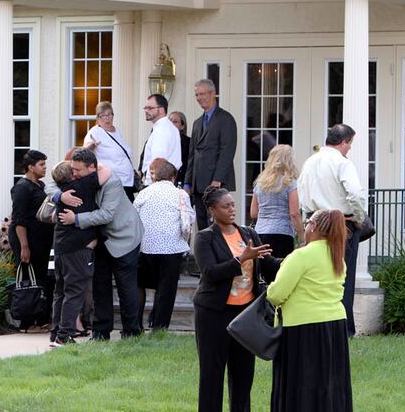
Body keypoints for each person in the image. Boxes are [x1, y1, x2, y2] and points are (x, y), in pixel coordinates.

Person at [192, 186, 278, 412]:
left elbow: (270, 266)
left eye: (232, 205)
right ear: (212, 210)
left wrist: (297, 259)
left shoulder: (249, 234)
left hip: (245, 315)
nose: (232, 210)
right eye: (225, 206)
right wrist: (241, 259)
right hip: (214, 314)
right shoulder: (205, 237)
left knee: (243, 373)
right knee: (212, 374)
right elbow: (210, 273)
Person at [51, 148, 144, 340]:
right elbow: (50, 185)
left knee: (126, 287)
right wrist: (60, 196)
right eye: (72, 169)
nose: (73, 174)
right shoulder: (79, 178)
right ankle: (101, 332)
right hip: (98, 240)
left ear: (92, 168)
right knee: (100, 286)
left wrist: (76, 219)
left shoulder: (112, 182)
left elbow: (106, 215)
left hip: (124, 238)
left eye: (77, 170)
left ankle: (132, 332)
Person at [268, 209, 353, 411]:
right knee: (330, 381)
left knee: (301, 383)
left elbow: (276, 294)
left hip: (302, 327)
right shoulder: (337, 256)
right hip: (335, 325)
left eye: (307, 223)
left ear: (313, 227)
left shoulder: (301, 255)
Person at [297, 123, 366, 336]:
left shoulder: (310, 161)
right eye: (350, 144)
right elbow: (355, 193)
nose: (349, 148)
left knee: (317, 276)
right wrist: (359, 217)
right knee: (342, 275)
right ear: (344, 142)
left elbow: (302, 194)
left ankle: (319, 326)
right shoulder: (342, 163)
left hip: (315, 223)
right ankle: (343, 328)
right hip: (339, 223)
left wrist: (308, 220)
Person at [133, 158, 195, 330]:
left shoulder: (144, 193)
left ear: (154, 175)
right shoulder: (180, 194)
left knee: (140, 284)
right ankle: (159, 327)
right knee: (166, 289)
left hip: (147, 246)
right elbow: (190, 218)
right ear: (172, 177)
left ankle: (135, 324)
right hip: (172, 247)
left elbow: (134, 215)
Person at [50, 154, 102, 347]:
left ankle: (55, 333)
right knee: (74, 292)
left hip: (61, 247)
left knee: (60, 292)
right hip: (77, 249)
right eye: (74, 170)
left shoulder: (63, 191)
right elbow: (105, 171)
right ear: (72, 175)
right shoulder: (79, 187)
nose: (76, 172)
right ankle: (63, 336)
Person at [8, 150, 55, 331]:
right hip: (27, 239)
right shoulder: (22, 187)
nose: (45, 168)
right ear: (30, 167)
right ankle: (26, 323)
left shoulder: (40, 185)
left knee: (42, 278)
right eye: (41, 165)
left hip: (42, 240)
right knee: (28, 279)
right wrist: (24, 246)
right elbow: (19, 219)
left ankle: (41, 319)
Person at [184, 79, 238, 230]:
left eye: (202, 94)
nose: (199, 98)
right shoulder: (197, 123)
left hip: (216, 184)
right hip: (197, 185)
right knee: (202, 226)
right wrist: (188, 183)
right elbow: (192, 155)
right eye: (196, 95)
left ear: (213, 93)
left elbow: (227, 151)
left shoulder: (225, 119)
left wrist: (217, 179)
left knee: (218, 225)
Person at [250, 144, 304, 258]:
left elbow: (253, 213)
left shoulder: (260, 183)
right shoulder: (290, 183)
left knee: (263, 267)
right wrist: (301, 236)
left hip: (260, 232)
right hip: (282, 233)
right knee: (280, 267)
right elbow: (294, 213)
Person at [84, 101, 137, 201]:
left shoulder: (117, 131)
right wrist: (91, 146)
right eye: (103, 116)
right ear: (98, 118)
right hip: (113, 181)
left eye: (109, 115)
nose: (107, 118)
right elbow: (84, 153)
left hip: (127, 181)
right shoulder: (95, 132)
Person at [140, 93, 181, 186]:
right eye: (145, 108)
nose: (146, 111)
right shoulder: (169, 127)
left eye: (150, 108)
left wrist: (149, 185)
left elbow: (157, 164)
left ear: (161, 110)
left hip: (157, 185)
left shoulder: (161, 130)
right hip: (166, 183)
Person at [169, 111, 190, 186]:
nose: (171, 124)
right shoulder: (162, 140)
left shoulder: (189, 142)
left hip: (182, 182)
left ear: (182, 126)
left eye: (175, 122)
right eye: (169, 121)